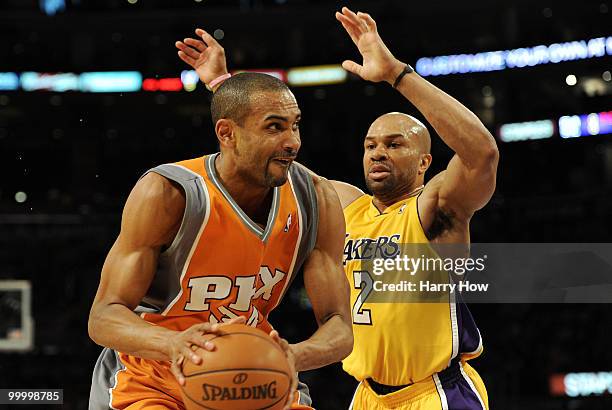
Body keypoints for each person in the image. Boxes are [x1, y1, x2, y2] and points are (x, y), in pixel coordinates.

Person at [177, 7, 498, 408]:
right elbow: (279, 159)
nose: (378, 153)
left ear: (424, 163)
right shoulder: (345, 205)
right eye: (370, 145)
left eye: (394, 144)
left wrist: (397, 74)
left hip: (435, 392)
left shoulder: (435, 208)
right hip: (366, 395)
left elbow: (482, 154)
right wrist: (223, 85)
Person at [87, 70, 353, 410]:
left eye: (295, 125)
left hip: (251, 368)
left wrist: (293, 354)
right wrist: (175, 344)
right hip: (152, 375)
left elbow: (339, 326)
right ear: (227, 133)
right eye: (275, 127)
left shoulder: (315, 198)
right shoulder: (169, 193)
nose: (293, 142)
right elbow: (104, 316)